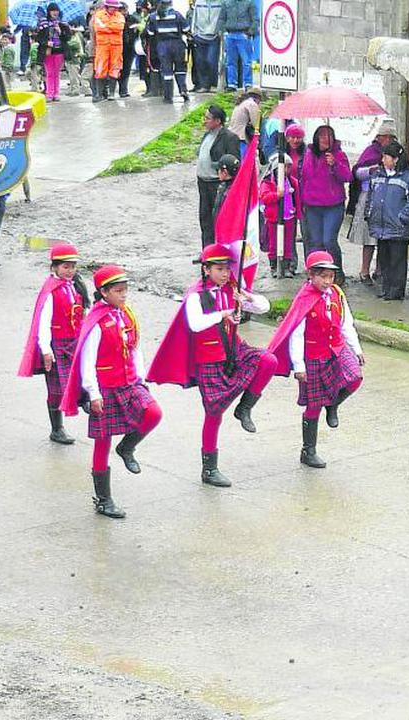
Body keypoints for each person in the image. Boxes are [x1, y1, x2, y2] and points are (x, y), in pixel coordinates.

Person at [148, 244, 277, 487]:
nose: (225, 273)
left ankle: (244, 408)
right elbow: (196, 324)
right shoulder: (197, 294)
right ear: (206, 270)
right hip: (208, 356)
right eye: (219, 269)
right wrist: (224, 314)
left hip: (233, 348)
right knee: (214, 412)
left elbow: (264, 307)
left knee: (268, 360)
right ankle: (209, 469)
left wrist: (247, 298)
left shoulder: (232, 288)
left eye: (227, 268)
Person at [60, 265, 163, 519]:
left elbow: (135, 347)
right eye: (118, 291)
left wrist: (140, 378)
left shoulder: (127, 314)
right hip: (105, 387)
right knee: (102, 442)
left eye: (125, 290)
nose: (124, 294)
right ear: (104, 292)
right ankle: (103, 500)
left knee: (154, 413)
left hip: (129, 382)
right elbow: (87, 361)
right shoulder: (97, 321)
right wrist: (93, 393)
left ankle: (127, 448)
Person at [266, 251, 365, 469]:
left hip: (336, 348)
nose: (328, 281)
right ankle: (308, 451)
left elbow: (346, 323)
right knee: (313, 406)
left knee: (356, 378)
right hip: (313, 356)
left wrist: (356, 349)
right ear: (311, 275)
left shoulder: (337, 293)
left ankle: (333, 404)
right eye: (323, 276)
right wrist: (299, 366)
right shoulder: (305, 298)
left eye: (331, 276)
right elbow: (296, 334)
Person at [17, 243, 91, 445]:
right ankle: (57, 429)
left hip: (75, 343)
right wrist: (46, 350)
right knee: (56, 388)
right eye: (65, 267)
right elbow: (43, 322)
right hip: (57, 345)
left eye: (72, 267)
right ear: (54, 267)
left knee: (83, 375)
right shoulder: (50, 291)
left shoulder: (75, 286)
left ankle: (84, 400)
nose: (70, 271)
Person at [365, 141, 409, 301]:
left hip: (398, 228)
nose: (383, 160)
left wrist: (403, 218)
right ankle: (386, 288)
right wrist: (369, 214)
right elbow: (370, 196)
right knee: (384, 259)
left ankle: (396, 291)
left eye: (386, 157)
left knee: (397, 261)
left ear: (396, 159)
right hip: (381, 226)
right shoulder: (378, 175)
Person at [300, 125, 352, 283]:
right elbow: (304, 177)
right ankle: (317, 275)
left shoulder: (338, 155)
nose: (325, 139)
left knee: (329, 240)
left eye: (328, 136)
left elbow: (347, 177)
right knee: (315, 242)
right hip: (313, 205)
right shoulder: (309, 154)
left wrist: (335, 165)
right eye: (321, 135)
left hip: (333, 205)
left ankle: (337, 272)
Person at [349, 119, 397, 284]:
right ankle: (364, 270)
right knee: (369, 237)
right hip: (369, 197)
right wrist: (371, 170)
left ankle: (380, 269)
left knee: (384, 237)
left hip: (387, 198)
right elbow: (357, 172)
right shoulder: (371, 151)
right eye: (389, 138)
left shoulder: (395, 153)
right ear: (382, 137)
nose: (390, 141)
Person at [197, 105, 241, 245]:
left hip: (217, 183)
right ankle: (207, 249)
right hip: (203, 182)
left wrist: (217, 167)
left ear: (217, 121)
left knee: (218, 218)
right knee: (205, 218)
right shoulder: (207, 135)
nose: (205, 121)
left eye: (208, 118)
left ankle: (220, 248)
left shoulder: (229, 138)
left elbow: (234, 162)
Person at [260, 152, 301, 278]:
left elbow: (297, 198)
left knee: (288, 243)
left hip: (289, 217)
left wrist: (298, 213)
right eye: (285, 167)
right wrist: (277, 195)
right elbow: (264, 198)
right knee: (274, 243)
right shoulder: (268, 183)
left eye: (289, 167)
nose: (287, 170)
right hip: (274, 218)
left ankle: (286, 266)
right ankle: (274, 266)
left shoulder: (292, 182)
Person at [145, 0, 189, 103]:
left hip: (162, 46)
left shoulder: (153, 16)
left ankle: (168, 97)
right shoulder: (177, 15)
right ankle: (183, 90)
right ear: (171, 3)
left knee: (166, 72)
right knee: (180, 69)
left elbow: (150, 33)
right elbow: (186, 29)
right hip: (178, 45)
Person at [36, 3, 72, 103]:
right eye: (52, 11)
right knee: (49, 73)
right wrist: (46, 42)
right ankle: (49, 93)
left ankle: (56, 94)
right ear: (49, 12)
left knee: (56, 73)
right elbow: (38, 38)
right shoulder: (43, 23)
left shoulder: (63, 23)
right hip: (48, 51)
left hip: (59, 51)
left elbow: (68, 37)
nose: (55, 13)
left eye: (56, 11)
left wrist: (60, 31)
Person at [91, 0, 126, 101]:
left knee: (115, 68)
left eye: (115, 7)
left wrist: (106, 26)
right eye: (112, 7)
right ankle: (99, 95)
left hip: (116, 46)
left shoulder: (120, 16)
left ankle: (111, 94)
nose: (114, 9)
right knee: (100, 69)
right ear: (106, 6)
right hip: (102, 46)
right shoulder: (98, 15)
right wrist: (112, 28)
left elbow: (120, 27)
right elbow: (98, 28)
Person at [220, 0, 257, 91]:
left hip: (244, 34)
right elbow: (221, 19)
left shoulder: (249, 2)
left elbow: (255, 19)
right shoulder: (226, 3)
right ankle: (232, 84)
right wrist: (223, 32)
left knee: (246, 62)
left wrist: (250, 32)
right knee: (230, 62)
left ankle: (248, 84)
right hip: (230, 35)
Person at [188, 0, 221, 92]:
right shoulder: (199, 2)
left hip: (214, 37)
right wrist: (194, 32)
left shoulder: (219, 3)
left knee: (212, 61)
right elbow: (195, 17)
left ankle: (213, 84)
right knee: (200, 62)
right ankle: (203, 85)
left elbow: (222, 18)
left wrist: (220, 31)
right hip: (199, 36)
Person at [118, 5, 140, 97]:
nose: (124, 12)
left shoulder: (133, 19)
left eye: (125, 10)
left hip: (130, 48)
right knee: (118, 69)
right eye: (121, 10)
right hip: (118, 47)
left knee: (126, 69)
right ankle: (118, 89)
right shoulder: (116, 19)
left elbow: (138, 30)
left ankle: (123, 90)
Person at [212, 152, 239, 221]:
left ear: (224, 172)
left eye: (218, 169)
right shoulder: (235, 186)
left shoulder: (229, 192)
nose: (217, 172)